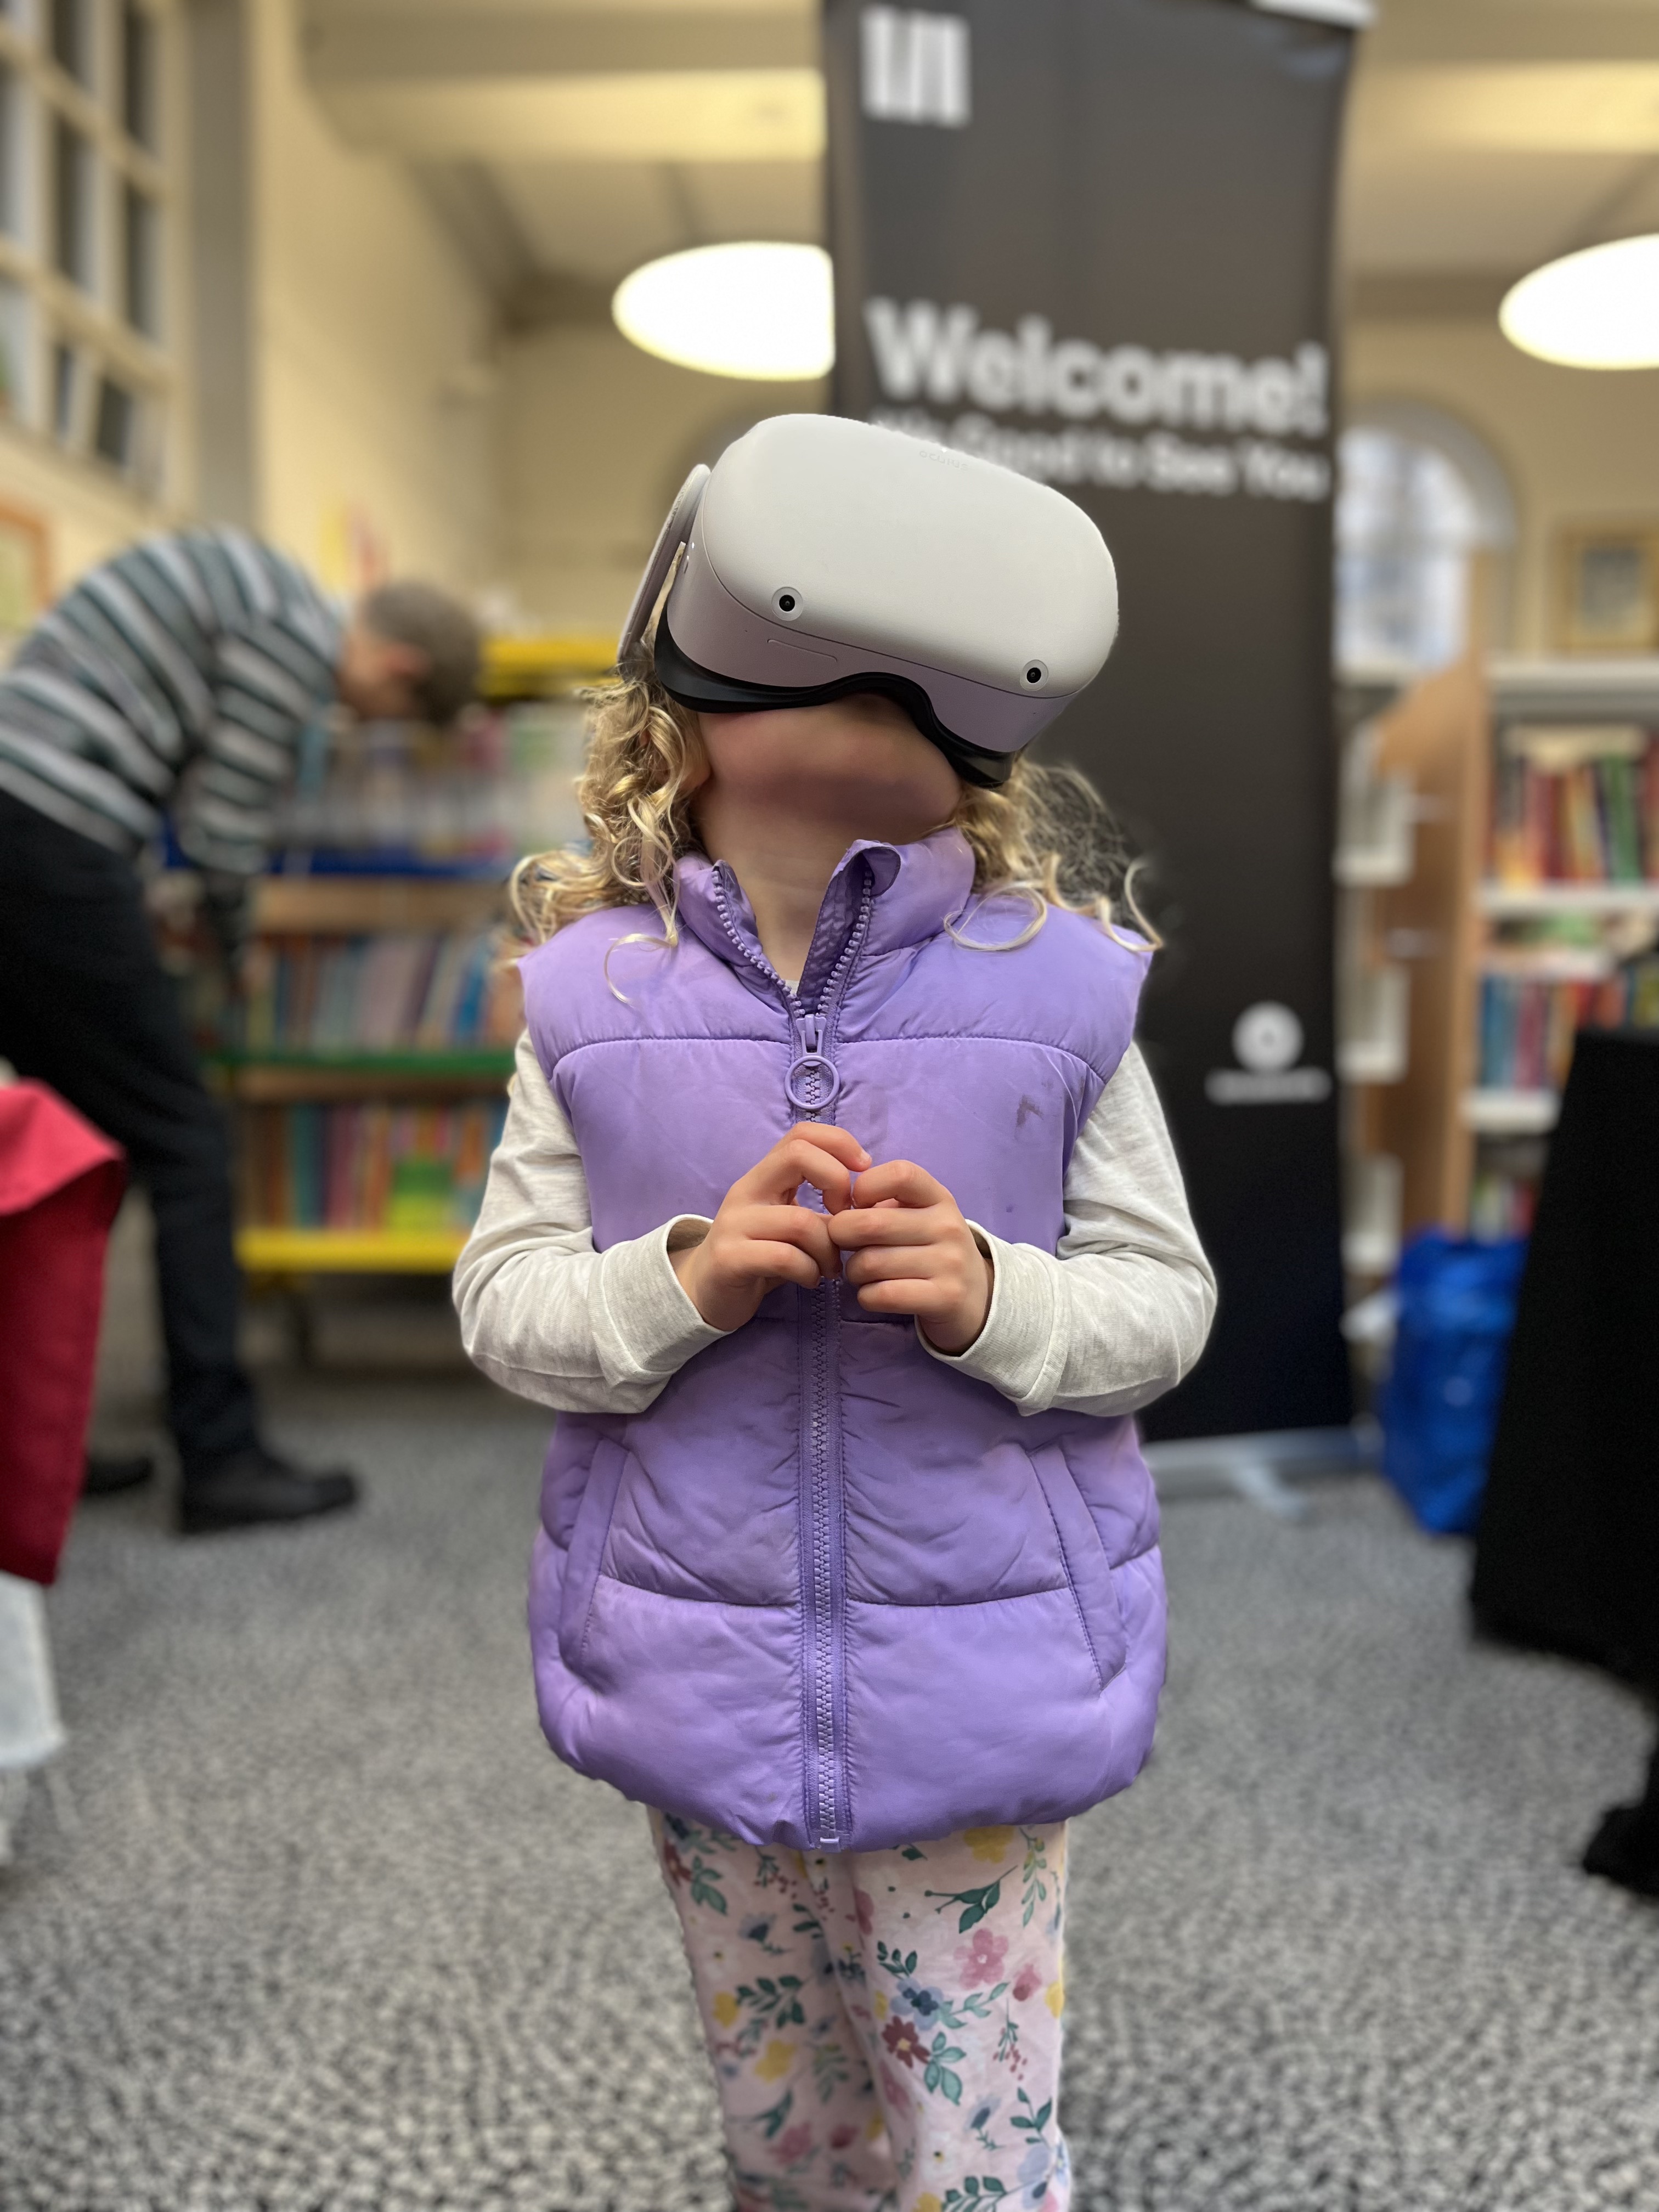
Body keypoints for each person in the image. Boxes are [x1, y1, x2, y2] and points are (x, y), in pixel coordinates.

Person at [453, 416, 1215, 2211]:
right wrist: (680, 1281)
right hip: (704, 1678)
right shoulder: (586, 999)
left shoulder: (1065, 994)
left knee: (977, 2141)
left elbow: (1162, 1302)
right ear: (682, 710)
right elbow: (505, 1306)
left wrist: (998, 1303)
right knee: (782, 2124)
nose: (874, 680)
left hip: (984, 1679)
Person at [0, 530, 481, 1533]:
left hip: (26, 827)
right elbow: (224, 832)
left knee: (64, 1151)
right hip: (48, 837)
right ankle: (220, 1460)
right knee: (188, 1146)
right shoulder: (296, 641)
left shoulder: (265, 591)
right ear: (403, 667)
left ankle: (24, 1442)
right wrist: (237, 944)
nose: (352, 721)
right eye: (383, 713)